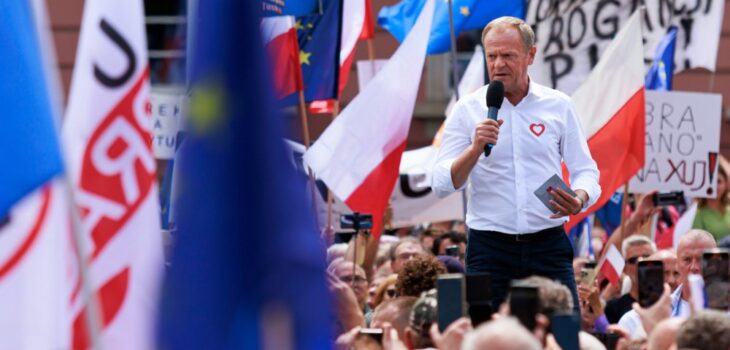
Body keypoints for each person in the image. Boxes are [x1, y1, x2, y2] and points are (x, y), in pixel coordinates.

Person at [431, 16, 600, 311]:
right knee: (485, 335)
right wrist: (474, 150)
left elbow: (586, 171)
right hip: (489, 247)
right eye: (491, 56)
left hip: (547, 244)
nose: (498, 64)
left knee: (563, 332)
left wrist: (580, 198)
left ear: (530, 55)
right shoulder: (467, 108)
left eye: (508, 55)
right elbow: (442, 183)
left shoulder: (558, 105)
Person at [604, 235, 656, 324]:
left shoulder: (672, 302)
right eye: (633, 260)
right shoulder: (612, 308)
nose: (640, 262)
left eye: (646, 257)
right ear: (624, 268)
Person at [693, 166, 730, 241]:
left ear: (726, 184)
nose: (714, 186)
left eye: (718, 181)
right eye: (710, 182)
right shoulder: (698, 215)